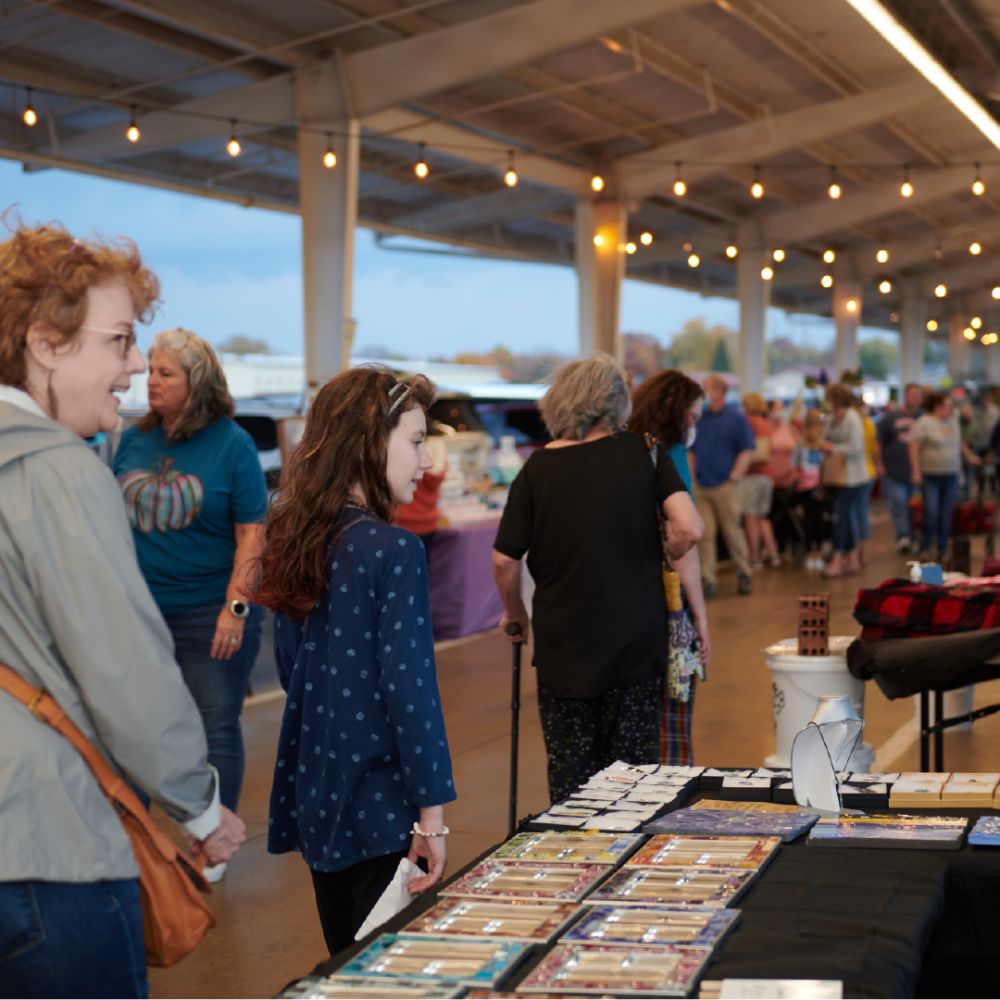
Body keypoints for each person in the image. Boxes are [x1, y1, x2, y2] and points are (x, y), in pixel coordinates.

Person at [0, 223, 245, 998]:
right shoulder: (58, 468)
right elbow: (124, 672)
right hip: (46, 849)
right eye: (118, 340)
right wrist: (202, 811)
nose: (135, 365)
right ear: (45, 344)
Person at [255, 367, 455, 957]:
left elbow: (291, 669)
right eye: (415, 441)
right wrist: (431, 818)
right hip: (381, 805)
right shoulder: (394, 550)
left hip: (318, 793)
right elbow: (411, 691)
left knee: (343, 962)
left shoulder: (296, 537)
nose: (425, 462)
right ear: (370, 442)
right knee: (387, 972)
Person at [492, 355, 703, 803]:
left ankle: (577, 845)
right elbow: (690, 526)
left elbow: (504, 560)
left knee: (572, 783)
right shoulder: (644, 452)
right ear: (617, 401)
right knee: (634, 783)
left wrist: (516, 614)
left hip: (565, 649)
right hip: (636, 644)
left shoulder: (537, 469)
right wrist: (666, 551)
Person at [113, 329, 266, 881]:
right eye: (151, 371)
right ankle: (135, 846)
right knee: (135, 728)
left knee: (213, 727)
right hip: (141, 613)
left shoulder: (232, 444)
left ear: (197, 382)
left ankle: (211, 846)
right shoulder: (134, 439)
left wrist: (236, 609)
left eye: (165, 373)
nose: (150, 381)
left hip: (209, 611)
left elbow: (252, 533)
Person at [629, 369, 710, 766]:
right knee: (673, 713)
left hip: (622, 602)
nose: (694, 425)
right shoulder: (669, 453)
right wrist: (700, 617)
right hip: (666, 598)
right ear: (676, 411)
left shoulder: (621, 446)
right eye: (692, 416)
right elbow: (686, 535)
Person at [690, 374, 755, 597]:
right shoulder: (700, 419)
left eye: (707, 388)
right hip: (702, 484)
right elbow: (691, 450)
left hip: (726, 485)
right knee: (706, 534)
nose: (704, 393)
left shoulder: (736, 418)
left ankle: (744, 572)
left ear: (719, 391)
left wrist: (735, 475)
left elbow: (746, 449)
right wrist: (692, 479)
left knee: (732, 531)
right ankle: (708, 578)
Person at [911, 390, 980, 563]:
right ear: (937, 407)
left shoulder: (953, 420)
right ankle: (927, 546)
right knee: (932, 511)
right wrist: (916, 471)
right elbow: (914, 448)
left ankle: (943, 547)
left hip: (951, 474)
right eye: (947, 406)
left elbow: (959, 442)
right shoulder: (924, 422)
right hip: (930, 475)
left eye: (951, 406)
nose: (950, 409)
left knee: (946, 513)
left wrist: (969, 456)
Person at [819, 384, 868, 578]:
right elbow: (824, 438)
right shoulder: (834, 420)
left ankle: (839, 558)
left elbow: (856, 447)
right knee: (844, 518)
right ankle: (851, 558)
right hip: (840, 477)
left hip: (852, 477)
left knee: (842, 518)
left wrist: (831, 448)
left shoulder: (852, 418)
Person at [877, 383, 923, 554]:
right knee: (899, 504)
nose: (915, 398)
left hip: (917, 472)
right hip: (894, 471)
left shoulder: (923, 417)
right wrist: (879, 463)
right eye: (912, 394)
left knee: (914, 507)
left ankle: (913, 536)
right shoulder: (890, 418)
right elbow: (879, 442)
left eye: (918, 395)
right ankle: (903, 537)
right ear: (905, 395)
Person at [740, 392, 781, 569]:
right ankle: (773, 554)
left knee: (750, 518)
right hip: (767, 476)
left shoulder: (749, 423)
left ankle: (755, 557)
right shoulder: (765, 424)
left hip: (753, 475)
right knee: (762, 517)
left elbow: (759, 455)